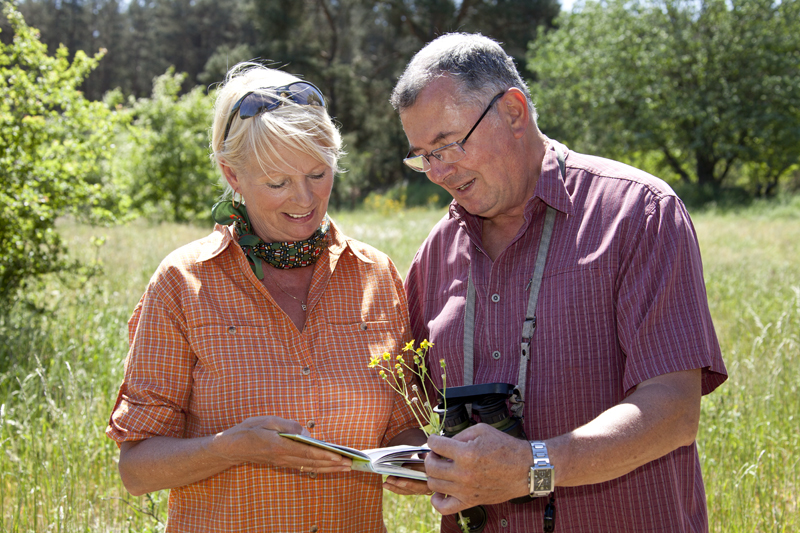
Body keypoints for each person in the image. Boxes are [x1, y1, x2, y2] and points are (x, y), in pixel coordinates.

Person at [388, 33, 728, 532]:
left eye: (448, 146)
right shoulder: (435, 253)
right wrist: (424, 458)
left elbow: (673, 410)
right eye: (423, 157)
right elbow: (410, 399)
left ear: (513, 111)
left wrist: (533, 468)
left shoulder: (638, 213)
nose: (438, 172)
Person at [106, 62, 426, 533]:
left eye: (319, 173)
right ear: (231, 175)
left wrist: (417, 462)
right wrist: (231, 448)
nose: (304, 199)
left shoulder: (375, 274)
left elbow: (403, 426)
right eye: (277, 182)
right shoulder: (183, 281)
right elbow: (136, 469)